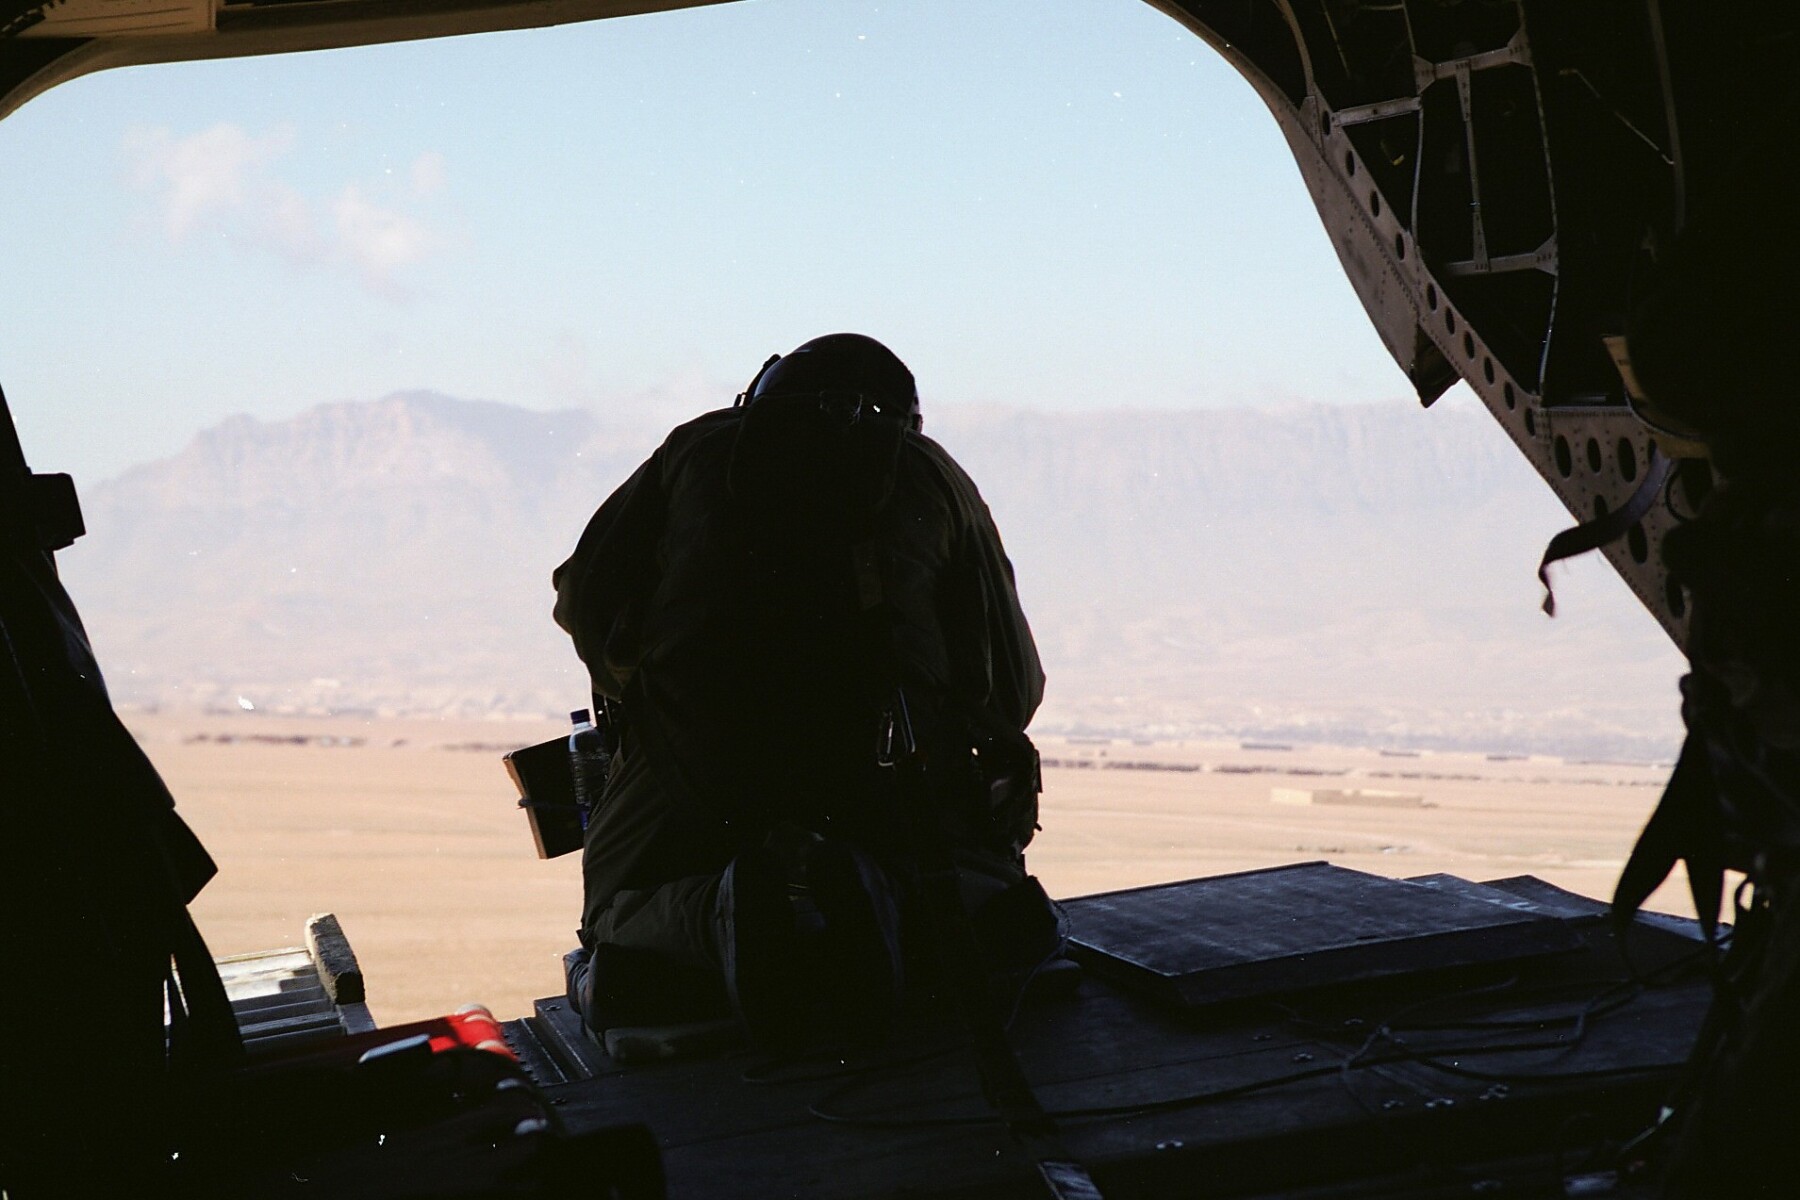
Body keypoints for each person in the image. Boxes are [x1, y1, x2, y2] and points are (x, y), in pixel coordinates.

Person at [552, 333, 1059, 1046]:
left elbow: (583, 604)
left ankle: (715, 917)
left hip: (695, 795)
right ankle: (888, 904)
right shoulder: (929, 473)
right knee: (997, 913)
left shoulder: (694, 452)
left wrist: (664, 696)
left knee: (614, 923)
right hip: (891, 797)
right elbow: (1013, 685)